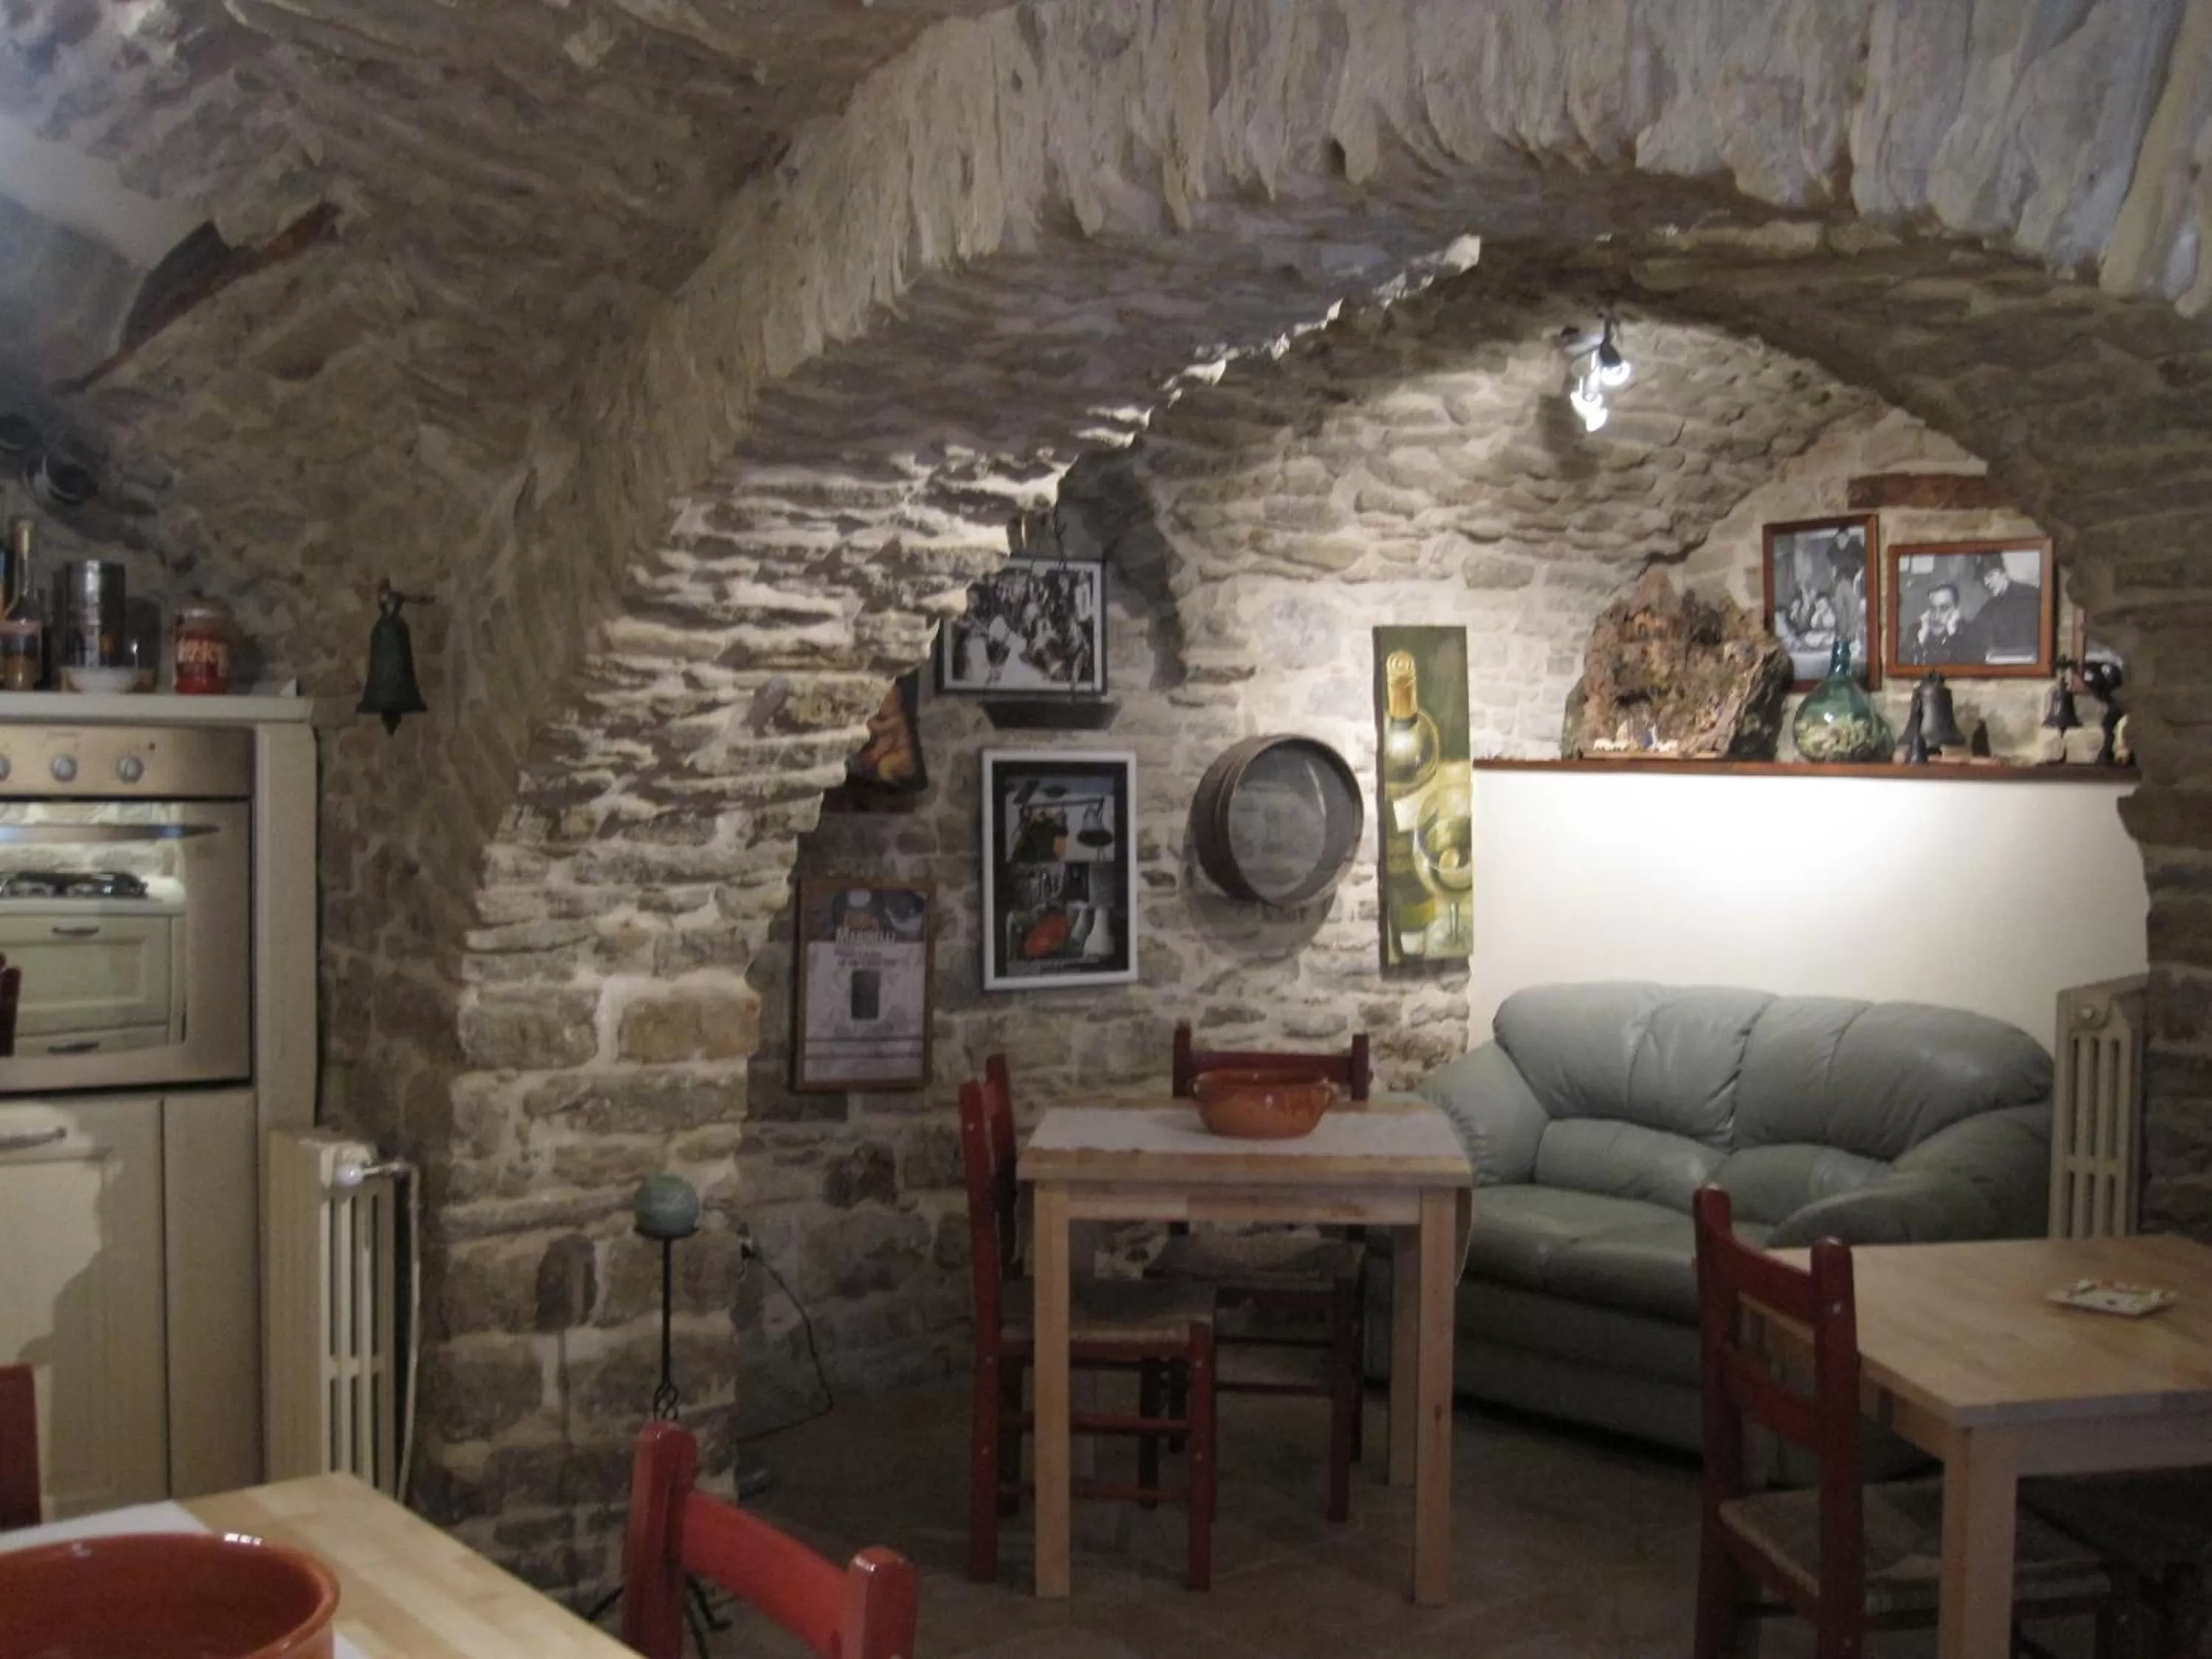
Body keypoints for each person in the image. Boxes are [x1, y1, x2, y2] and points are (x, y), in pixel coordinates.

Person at [1957, 552, 2042, 664]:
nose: (1986, 583)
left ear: (2004, 573)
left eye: (1990, 576)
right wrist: (1959, 622)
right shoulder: (1990, 606)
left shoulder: (2031, 595)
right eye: (1982, 579)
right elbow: (1974, 633)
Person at [1907, 581, 1964, 664]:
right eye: (1932, 609)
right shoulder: (1916, 631)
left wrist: (1953, 635)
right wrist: (1920, 642)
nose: (1937, 617)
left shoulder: (1969, 634)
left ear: (1957, 610)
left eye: (1944, 608)